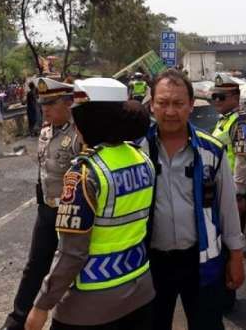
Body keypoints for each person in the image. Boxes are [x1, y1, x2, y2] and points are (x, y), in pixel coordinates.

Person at [25, 78, 155, 330]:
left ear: (87, 119)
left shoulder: (84, 174)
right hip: (139, 289)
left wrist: (41, 305)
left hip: (90, 302)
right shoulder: (142, 158)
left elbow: (71, 254)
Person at [143, 69, 245, 330]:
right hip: (151, 264)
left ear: (191, 105)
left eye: (178, 104)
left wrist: (235, 257)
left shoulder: (211, 150)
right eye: (163, 103)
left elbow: (227, 209)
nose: (170, 111)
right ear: (152, 105)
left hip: (200, 262)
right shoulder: (137, 151)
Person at [3, 78, 81, 330]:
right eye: (42, 103)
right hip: (47, 210)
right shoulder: (46, 130)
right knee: (35, 266)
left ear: (69, 103)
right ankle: (17, 319)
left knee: (71, 270)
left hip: (70, 214)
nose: (45, 109)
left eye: (51, 103)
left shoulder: (80, 134)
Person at [210, 73, 246, 311]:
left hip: (234, 193)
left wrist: (238, 194)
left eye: (220, 96)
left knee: (230, 247)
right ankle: (220, 293)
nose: (215, 101)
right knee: (219, 246)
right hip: (221, 192)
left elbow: (242, 159)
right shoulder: (224, 120)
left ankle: (227, 298)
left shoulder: (240, 123)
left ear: (235, 98)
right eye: (213, 97)